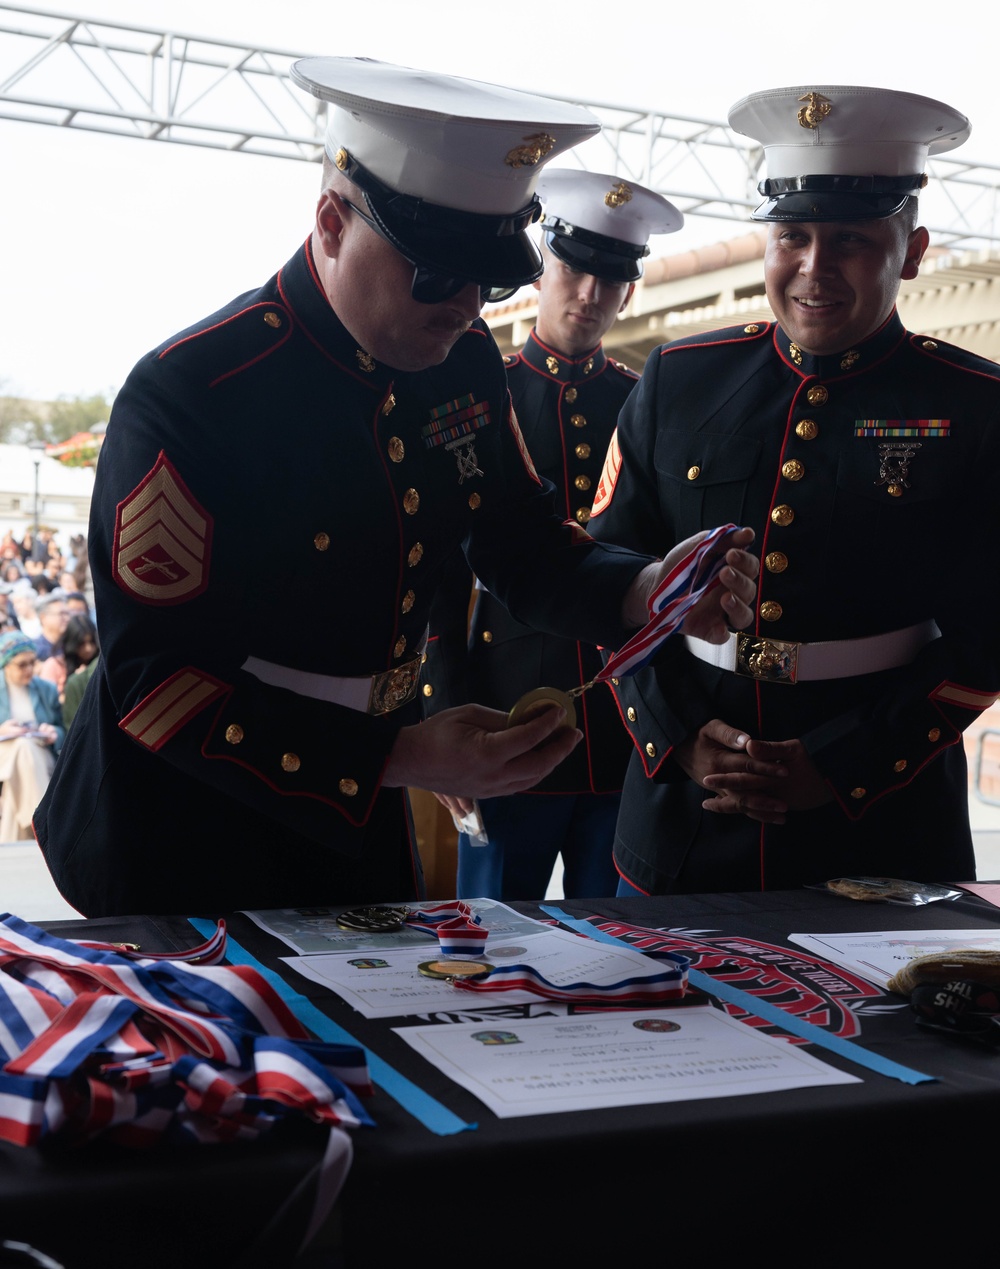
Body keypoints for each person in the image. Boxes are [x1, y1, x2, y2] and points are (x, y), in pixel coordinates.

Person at [35, 58, 757, 917]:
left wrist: (650, 590)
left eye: (487, 278)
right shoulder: (195, 393)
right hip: (183, 831)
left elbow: (524, 545)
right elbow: (159, 685)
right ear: (333, 222)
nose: (462, 305)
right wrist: (401, 758)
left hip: (356, 818)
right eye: (432, 272)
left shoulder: (462, 362)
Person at [589, 84, 1000, 894]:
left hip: (879, 821)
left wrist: (843, 765)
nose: (814, 268)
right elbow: (604, 580)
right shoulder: (681, 380)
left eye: (850, 239)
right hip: (682, 817)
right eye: (792, 237)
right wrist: (677, 735)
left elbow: (991, 636)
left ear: (911, 253)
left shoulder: (975, 408)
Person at [425, 169, 682, 897]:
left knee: (619, 955)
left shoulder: (645, 405)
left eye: (611, 277)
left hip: (623, 732)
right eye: (575, 269)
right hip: (506, 720)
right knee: (491, 950)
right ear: (543, 270)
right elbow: (442, 566)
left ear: (630, 289)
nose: (590, 294)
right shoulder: (481, 395)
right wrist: (442, 708)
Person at [0, 630, 63, 842]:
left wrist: (53, 732)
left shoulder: (46, 689)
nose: (29, 669)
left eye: (32, 662)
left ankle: (17, 837)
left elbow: (62, 729)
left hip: (39, 752)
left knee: (24, 754)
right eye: (21, 664)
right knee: (21, 747)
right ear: (5, 664)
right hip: (4, 754)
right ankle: (44, 823)